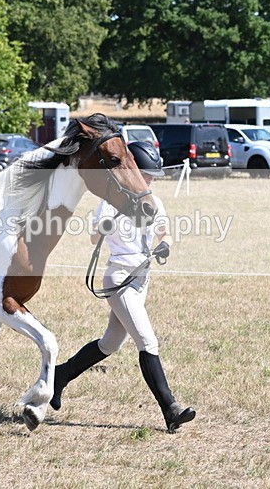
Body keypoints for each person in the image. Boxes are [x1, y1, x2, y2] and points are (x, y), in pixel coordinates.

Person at [51, 141, 196, 433]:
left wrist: (165, 243)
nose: (151, 180)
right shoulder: (110, 203)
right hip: (119, 278)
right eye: (146, 174)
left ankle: (60, 375)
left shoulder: (152, 202)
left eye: (152, 176)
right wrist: (102, 229)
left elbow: (163, 229)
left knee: (110, 344)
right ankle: (170, 408)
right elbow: (94, 238)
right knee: (148, 342)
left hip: (142, 279)